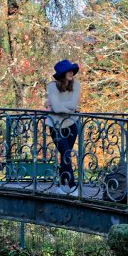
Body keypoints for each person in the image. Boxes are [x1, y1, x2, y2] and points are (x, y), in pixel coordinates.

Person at [47, 59, 82, 188]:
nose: (71, 72)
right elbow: (56, 108)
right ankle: (72, 186)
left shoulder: (76, 84)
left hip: (72, 124)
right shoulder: (52, 86)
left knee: (65, 154)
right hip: (55, 125)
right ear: (62, 73)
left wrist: (59, 106)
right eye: (68, 70)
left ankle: (61, 184)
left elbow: (73, 104)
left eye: (72, 70)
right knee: (66, 152)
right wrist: (68, 108)